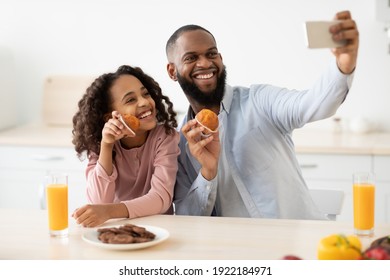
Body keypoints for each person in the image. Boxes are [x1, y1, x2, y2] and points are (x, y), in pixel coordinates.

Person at [165, 10, 359, 219]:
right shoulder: (180, 145)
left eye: (211, 54)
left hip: (299, 242)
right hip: (242, 249)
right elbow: (188, 218)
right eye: (191, 57)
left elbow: (314, 104)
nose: (205, 63)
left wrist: (344, 63)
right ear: (172, 71)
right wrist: (208, 172)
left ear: (220, 58)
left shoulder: (260, 101)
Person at [71, 65, 180, 227]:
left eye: (145, 94)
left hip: (159, 227)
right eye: (131, 100)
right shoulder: (99, 144)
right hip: (115, 228)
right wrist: (107, 146)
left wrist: (108, 212)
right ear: (111, 116)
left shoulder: (164, 137)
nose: (144, 102)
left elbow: (160, 198)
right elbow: (99, 201)